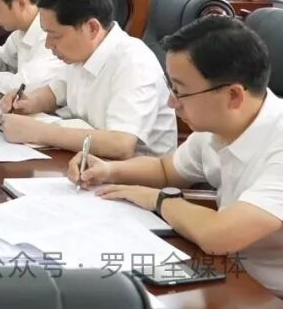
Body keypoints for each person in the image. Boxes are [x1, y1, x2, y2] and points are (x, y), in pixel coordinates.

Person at [68, 17, 283, 296]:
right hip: (229, 272)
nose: (172, 102)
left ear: (233, 96)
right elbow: (165, 169)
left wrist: (159, 200)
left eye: (180, 91)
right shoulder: (220, 124)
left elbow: (219, 236)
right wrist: (109, 170)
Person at [0, 0, 176, 158]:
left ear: (92, 28)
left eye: (55, 35)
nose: (48, 45)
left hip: (134, 171)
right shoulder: (80, 51)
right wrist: (29, 102)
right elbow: (56, 92)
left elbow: (120, 145)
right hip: (89, 161)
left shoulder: (134, 62)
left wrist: (39, 132)